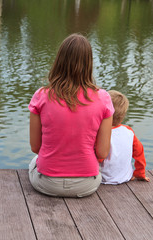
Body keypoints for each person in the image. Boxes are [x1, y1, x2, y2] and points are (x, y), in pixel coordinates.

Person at [28, 33, 114, 197]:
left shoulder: (41, 95)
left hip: (47, 182)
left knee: (33, 162)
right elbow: (102, 153)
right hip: (86, 184)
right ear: (89, 63)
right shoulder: (103, 98)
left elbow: (35, 147)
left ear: (59, 61)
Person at [99, 90, 150, 184]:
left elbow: (98, 157)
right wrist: (140, 173)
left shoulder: (100, 133)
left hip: (102, 179)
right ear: (123, 115)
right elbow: (139, 153)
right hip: (125, 177)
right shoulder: (129, 131)